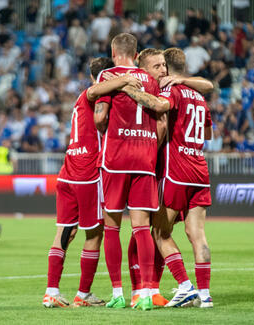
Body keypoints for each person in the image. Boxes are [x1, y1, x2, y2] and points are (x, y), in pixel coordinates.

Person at [43, 57, 143, 308]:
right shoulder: (96, 95)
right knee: (96, 233)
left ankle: (51, 291)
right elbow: (97, 90)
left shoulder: (79, 99)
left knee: (65, 231)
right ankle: (83, 293)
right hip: (88, 173)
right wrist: (127, 79)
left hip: (68, 169)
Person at [120, 48, 213, 308]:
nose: (160, 71)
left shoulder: (171, 89)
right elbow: (208, 134)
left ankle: (185, 286)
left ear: (168, 70)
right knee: (198, 235)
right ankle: (205, 295)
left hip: (177, 171)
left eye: (162, 67)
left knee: (159, 232)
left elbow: (161, 106)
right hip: (200, 170)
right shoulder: (199, 96)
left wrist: (130, 90)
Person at [93, 33, 163, 311]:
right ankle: (145, 293)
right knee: (142, 227)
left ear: (113, 51)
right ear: (136, 55)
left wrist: (108, 131)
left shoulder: (107, 76)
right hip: (145, 157)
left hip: (116, 158)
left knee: (111, 227)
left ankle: (118, 293)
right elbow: (161, 123)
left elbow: (99, 116)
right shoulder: (151, 81)